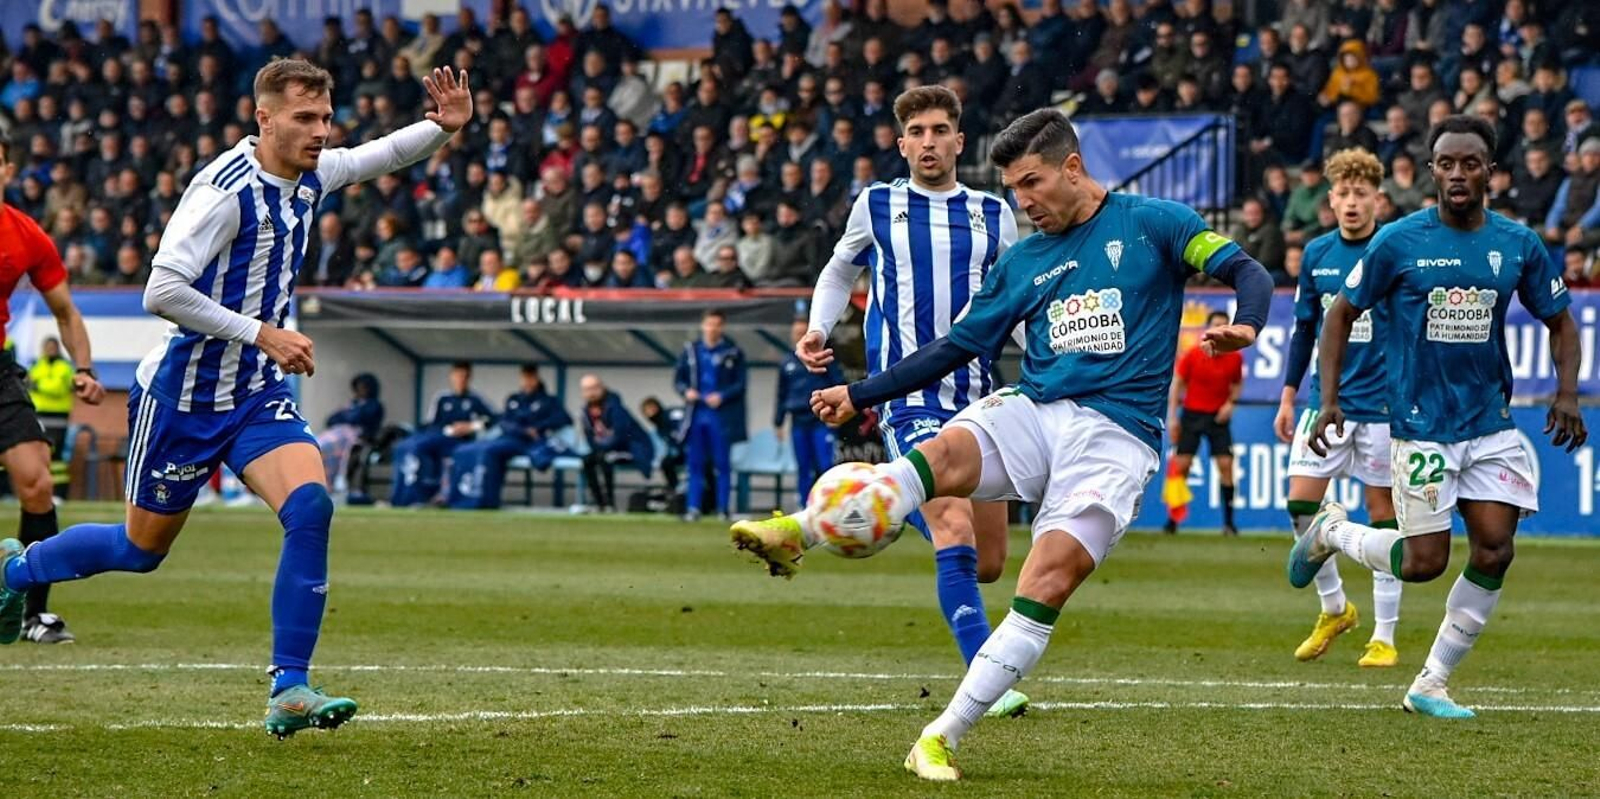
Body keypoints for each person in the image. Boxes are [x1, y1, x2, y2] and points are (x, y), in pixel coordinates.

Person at [737, 109, 1271, 781]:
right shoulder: (1023, 261)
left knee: (1043, 578)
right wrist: (861, 393)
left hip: (1117, 434)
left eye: (1031, 183)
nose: (1023, 202)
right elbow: (955, 347)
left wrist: (1248, 324)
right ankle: (803, 529)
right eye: (1014, 189)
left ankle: (939, 737)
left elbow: (1245, 269)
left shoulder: (1156, 223)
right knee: (944, 455)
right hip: (1036, 409)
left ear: (1072, 167)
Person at [0, 60, 472, 735]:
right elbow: (161, 291)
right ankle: (16, 570)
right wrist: (263, 333)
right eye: (304, 118)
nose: (320, 131)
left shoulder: (312, 174)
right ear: (264, 118)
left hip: (253, 391)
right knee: (140, 549)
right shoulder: (223, 192)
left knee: (310, 506)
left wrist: (441, 128)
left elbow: (379, 155)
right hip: (183, 397)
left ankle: (291, 686)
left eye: (325, 117)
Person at [731, 85, 1030, 718]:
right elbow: (840, 269)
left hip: (980, 401)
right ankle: (988, 682)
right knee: (951, 523)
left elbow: (1018, 298)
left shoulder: (993, 212)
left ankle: (856, 509)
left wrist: (1052, 358)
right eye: (916, 132)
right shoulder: (878, 203)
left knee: (988, 563)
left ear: (959, 141)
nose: (928, 142)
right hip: (908, 396)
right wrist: (819, 327)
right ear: (901, 144)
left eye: (939, 130)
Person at [1289, 116, 1586, 719]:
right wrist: (1327, 397)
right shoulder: (1398, 241)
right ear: (1431, 171)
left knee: (1495, 550)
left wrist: (1567, 393)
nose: (1457, 173)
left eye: (1470, 163)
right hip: (1421, 426)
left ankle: (1431, 682)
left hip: (1489, 424)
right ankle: (1331, 533)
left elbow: (1560, 321)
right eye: (1446, 163)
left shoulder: (1518, 244)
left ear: (1490, 171)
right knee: (1424, 563)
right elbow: (1339, 316)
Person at [1275, 147, 1403, 668]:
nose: (1352, 202)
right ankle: (1335, 608)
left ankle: (1385, 637)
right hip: (1323, 403)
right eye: (1344, 194)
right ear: (1330, 200)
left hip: (1381, 407)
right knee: (1300, 506)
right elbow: (1304, 328)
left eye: (1361, 194)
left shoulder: (1393, 249)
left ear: (1378, 200)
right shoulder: (1317, 253)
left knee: (1384, 517)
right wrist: (1288, 395)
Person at [0, 137, 107, 646]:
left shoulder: (25, 234)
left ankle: (30, 613)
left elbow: (65, 311)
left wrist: (83, 367)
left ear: (8, 170)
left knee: (38, 482)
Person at [446, 364, 572, 511]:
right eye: (525, 377)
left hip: (527, 443)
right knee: (463, 449)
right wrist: (521, 430)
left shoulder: (549, 401)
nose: (528, 381)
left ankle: (483, 499)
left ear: (537, 378)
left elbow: (564, 418)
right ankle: (457, 497)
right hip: (509, 437)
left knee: (488, 451)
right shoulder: (513, 399)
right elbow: (504, 421)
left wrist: (539, 428)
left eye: (531, 377)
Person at [1165, 310, 1244, 536]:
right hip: (1192, 415)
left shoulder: (1235, 357)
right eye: (1215, 325)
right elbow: (1177, 384)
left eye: (1224, 326)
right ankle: (1173, 520)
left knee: (1226, 466)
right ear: (1207, 330)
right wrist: (1173, 417)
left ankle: (1229, 524)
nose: (1220, 330)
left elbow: (1237, 384)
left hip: (1218, 418)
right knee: (1181, 467)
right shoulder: (1192, 355)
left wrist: (1231, 404)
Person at [389, 360, 495, 507]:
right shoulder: (442, 398)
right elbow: (430, 423)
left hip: (460, 442)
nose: (461, 380)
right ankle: (402, 497)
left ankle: (424, 497)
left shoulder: (474, 400)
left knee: (421, 448)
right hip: (439, 436)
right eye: (458, 376)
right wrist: (448, 430)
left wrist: (470, 426)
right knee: (406, 446)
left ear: (469, 378)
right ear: (452, 376)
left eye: (464, 376)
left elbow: (493, 419)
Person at [674, 309, 746, 521]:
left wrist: (722, 395)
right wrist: (686, 391)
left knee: (722, 463)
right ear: (703, 325)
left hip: (720, 416)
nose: (712, 329)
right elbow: (678, 380)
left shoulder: (733, 352)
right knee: (694, 463)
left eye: (716, 324)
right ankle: (693, 508)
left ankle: (722, 508)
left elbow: (741, 384)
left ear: (722, 327)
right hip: (696, 414)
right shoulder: (691, 351)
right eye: (709, 324)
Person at [774, 317, 844, 506]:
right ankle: (805, 505)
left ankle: (829, 505)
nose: (798, 336)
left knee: (825, 464)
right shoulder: (787, 361)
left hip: (820, 419)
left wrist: (835, 412)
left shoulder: (824, 358)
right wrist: (778, 422)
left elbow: (839, 385)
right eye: (796, 333)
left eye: (802, 333)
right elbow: (781, 393)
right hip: (798, 421)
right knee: (803, 466)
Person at [579, 374, 654, 512]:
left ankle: (610, 503)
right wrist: (599, 447)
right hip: (606, 449)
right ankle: (599, 503)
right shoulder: (586, 412)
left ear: (602, 387)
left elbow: (621, 436)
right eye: (587, 389)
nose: (591, 393)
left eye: (594, 388)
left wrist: (602, 447)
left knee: (605, 458)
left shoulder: (615, 407)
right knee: (587, 460)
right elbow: (589, 437)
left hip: (631, 449)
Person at [316, 373, 384, 492]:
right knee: (317, 445)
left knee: (328, 447)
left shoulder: (374, 405)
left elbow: (358, 418)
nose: (360, 391)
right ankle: (319, 482)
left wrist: (347, 414)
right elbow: (331, 420)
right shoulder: (353, 404)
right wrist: (348, 415)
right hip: (339, 432)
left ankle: (331, 483)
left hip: (357, 438)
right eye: (358, 387)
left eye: (363, 387)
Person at [27, 337, 73, 458]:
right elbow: (27, 383)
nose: (50, 350)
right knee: (37, 449)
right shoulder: (37, 365)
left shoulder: (64, 367)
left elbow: (57, 388)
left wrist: (37, 385)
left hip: (58, 414)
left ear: (58, 349)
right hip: (38, 413)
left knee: (55, 449)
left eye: (53, 347)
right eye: (47, 347)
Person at [639, 395, 686, 495]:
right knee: (666, 462)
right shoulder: (659, 427)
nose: (649, 413)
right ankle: (675, 489)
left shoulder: (670, 416)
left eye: (651, 409)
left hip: (692, 449)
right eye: (646, 411)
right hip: (681, 452)